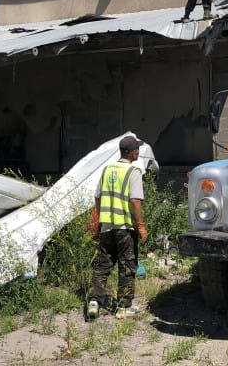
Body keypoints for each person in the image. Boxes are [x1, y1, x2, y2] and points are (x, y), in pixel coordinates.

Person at [86, 135, 148, 319]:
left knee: (103, 265)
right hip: (125, 228)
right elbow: (135, 201)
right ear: (132, 152)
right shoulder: (133, 172)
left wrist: (100, 220)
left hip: (106, 227)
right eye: (137, 149)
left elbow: (97, 197)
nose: (138, 152)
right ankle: (123, 307)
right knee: (127, 266)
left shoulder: (107, 170)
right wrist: (141, 226)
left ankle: (95, 301)